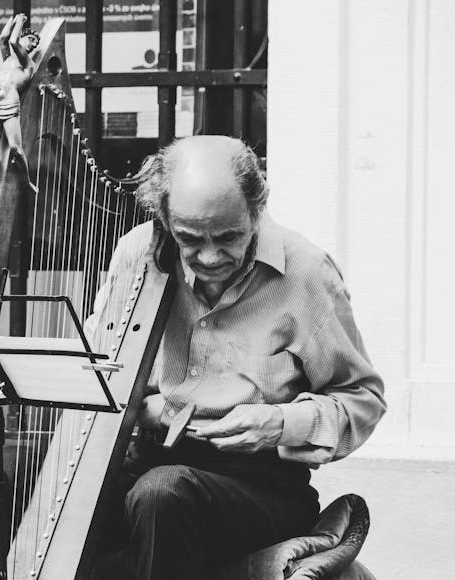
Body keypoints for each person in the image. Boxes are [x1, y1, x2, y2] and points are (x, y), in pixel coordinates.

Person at [87, 135, 387, 580]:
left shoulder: (307, 273)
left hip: (260, 482)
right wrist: (144, 410)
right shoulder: (138, 255)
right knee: (27, 488)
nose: (209, 256)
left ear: (255, 209)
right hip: (145, 458)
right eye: (189, 238)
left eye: (228, 237)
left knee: (160, 496)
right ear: (165, 217)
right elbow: (99, 372)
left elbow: (362, 400)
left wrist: (279, 423)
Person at [0, 13, 40, 197]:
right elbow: (4, 38)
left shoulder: (28, 64)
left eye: (35, 43)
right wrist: (13, 19)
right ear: (23, 37)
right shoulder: (8, 60)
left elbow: (12, 42)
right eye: (31, 39)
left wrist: (20, 22)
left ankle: (27, 181)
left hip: (10, 106)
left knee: (16, 149)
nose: (33, 44)